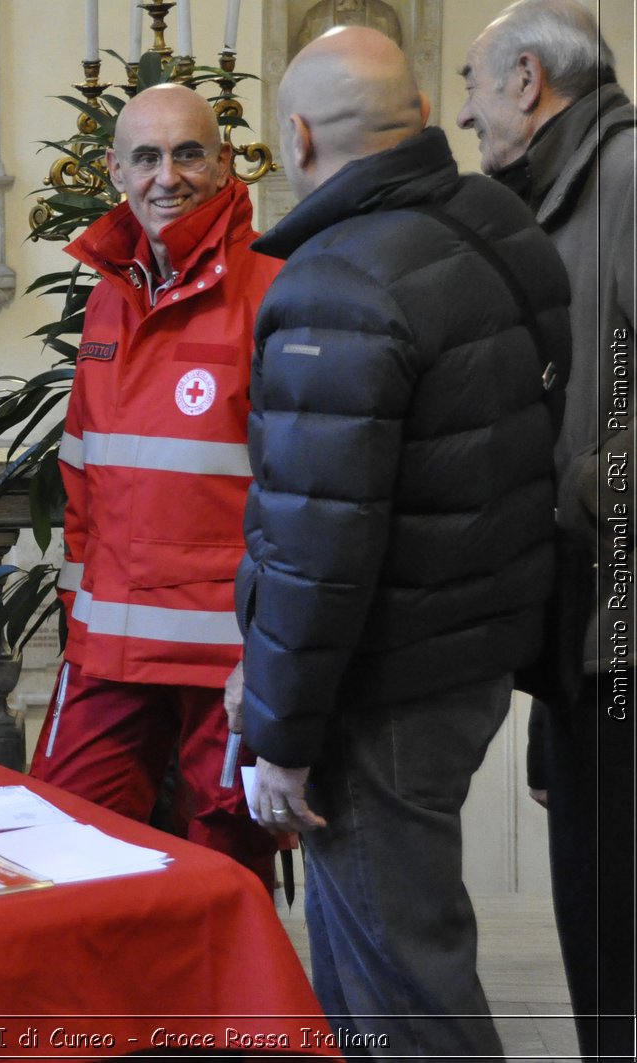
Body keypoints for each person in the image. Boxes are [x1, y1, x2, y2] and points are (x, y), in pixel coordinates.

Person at [233, 26, 569, 1057]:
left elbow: (315, 545)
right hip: (472, 652)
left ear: (295, 137)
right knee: (405, 951)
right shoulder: (499, 222)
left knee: (395, 986)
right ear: (420, 113)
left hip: (377, 686)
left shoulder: (332, 285)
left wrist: (281, 739)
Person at [26, 84, 279, 887]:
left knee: (223, 878)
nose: (166, 175)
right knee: (60, 842)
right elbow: (83, 478)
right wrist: (79, 615)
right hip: (110, 647)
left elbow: (303, 494)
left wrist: (275, 653)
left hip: (228, 661)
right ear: (114, 170)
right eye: (145, 156)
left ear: (224, 161)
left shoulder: (273, 291)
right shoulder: (109, 294)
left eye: (187, 153)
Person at [457, 2, 635, 1056]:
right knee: (601, 930)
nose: (469, 111)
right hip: (590, 628)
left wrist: (586, 492)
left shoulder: (623, 177)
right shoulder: (567, 187)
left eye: (478, 84)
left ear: (526, 79)